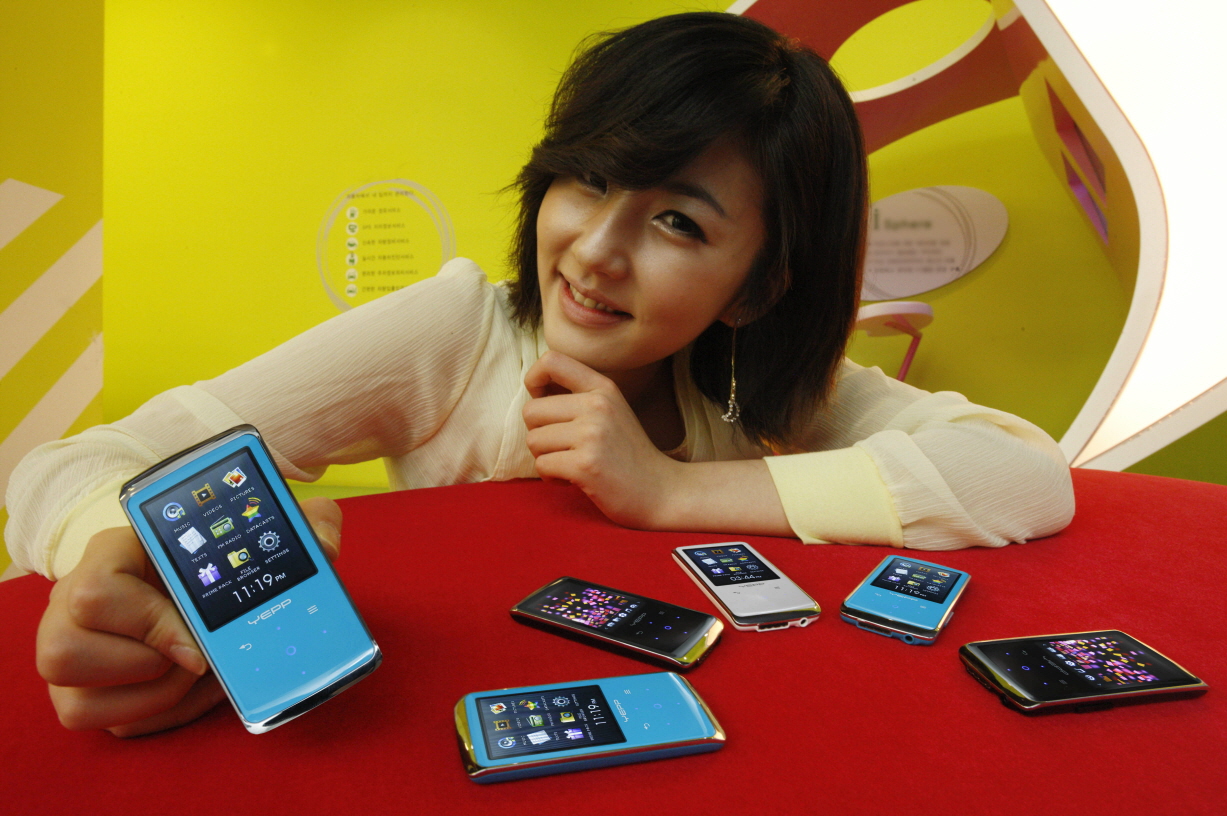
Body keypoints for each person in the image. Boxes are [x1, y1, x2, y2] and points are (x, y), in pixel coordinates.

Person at [6, 12, 1073, 735]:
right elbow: (74, 462)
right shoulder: (459, 327)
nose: (594, 252)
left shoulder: (755, 384)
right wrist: (123, 561)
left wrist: (671, 490)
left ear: (754, 288)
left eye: (677, 222)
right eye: (588, 178)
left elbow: (1024, 476)